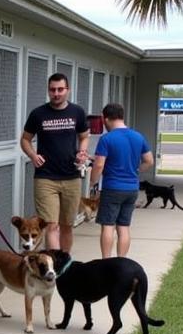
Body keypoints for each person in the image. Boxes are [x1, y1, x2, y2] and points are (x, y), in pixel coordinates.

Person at [21, 73, 89, 252]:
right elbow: (25, 139)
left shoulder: (77, 112)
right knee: (51, 225)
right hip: (45, 177)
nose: (56, 93)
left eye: (60, 89)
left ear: (68, 90)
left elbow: (84, 136)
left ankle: (64, 265)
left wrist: (82, 152)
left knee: (67, 225)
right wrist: (33, 155)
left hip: (71, 177)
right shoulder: (38, 114)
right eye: (53, 90)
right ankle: (55, 267)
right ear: (48, 91)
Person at [89, 102, 154, 258]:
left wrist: (93, 182)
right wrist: (136, 170)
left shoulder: (107, 139)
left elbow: (99, 165)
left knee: (108, 226)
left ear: (105, 119)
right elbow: (149, 161)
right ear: (122, 116)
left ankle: (106, 261)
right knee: (124, 227)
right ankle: (121, 261)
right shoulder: (138, 136)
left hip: (112, 188)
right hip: (131, 188)